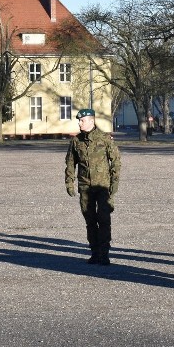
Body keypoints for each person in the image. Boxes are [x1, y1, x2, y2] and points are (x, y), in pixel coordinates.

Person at [65, 108, 121, 265]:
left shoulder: (104, 138)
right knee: (90, 220)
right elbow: (70, 163)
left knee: (104, 219)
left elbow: (115, 160)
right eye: (79, 120)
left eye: (82, 120)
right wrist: (69, 182)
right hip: (85, 187)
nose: (79, 123)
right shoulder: (76, 141)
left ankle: (104, 253)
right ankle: (95, 252)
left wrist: (114, 183)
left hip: (103, 186)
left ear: (91, 121)